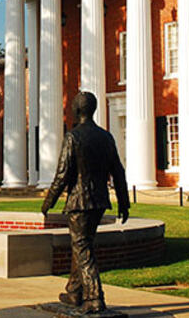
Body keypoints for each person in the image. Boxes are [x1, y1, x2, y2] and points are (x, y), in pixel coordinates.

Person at [41, 91, 130, 314]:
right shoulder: (106, 136)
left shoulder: (73, 137)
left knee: (82, 248)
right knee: (82, 244)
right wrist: (124, 202)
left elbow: (62, 173)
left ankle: (94, 297)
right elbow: (118, 171)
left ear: (78, 110)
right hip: (99, 201)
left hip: (80, 201)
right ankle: (74, 291)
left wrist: (49, 200)